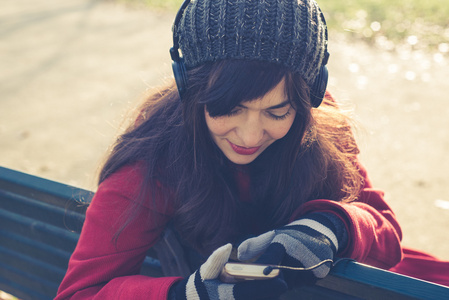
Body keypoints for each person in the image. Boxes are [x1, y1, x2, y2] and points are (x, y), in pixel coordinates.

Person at [56, 0, 449, 299]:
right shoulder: (151, 164)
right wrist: (188, 292)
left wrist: (332, 228)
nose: (250, 134)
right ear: (189, 89)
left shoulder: (321, 121)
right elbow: (80, 293)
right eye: (228, 108)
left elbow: (385, 230)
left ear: (307, 95)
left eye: (277, 111)